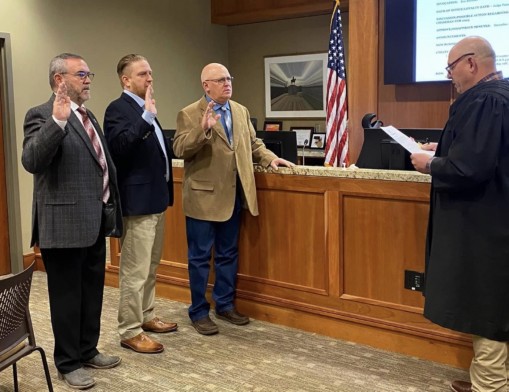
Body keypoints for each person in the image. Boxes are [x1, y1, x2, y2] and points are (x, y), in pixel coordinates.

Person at [411, 36, 509, 392]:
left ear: (471, 63)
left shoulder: (483, 100)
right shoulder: (503, 94)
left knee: (488, 316)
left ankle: (490, 385)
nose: (449, 75)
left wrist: (430, 164)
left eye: (450, 67)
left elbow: (470, 169)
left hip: (483, 230)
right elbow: (487, 154)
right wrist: (447, 149)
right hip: (498, 224)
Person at [21, 53, 122, 389]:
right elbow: (33, 160)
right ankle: (67, 363)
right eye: (81, 74)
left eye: (89, 73)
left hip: (94, 221)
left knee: (92, 291)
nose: (89, 79)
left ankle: (86, 349)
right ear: (59, 80)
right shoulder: (40, 114)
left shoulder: (89, 114)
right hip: (62, 225)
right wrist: (58, 123)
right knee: (66, 297)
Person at [173, 63, 295, 335]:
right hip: (203, 199)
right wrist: (202, 130)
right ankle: (198, 311)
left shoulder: (240, 111)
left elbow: (253, 145)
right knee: (200, 258)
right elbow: (180, 148)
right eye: (220, 80)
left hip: (234, 196)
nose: (227, 83)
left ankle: (225, 305)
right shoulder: (190, 113)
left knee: (228, 254)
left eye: (229, 78)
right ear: (206, 85)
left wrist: (270, 158)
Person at [104, 54, 176, 354]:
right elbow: (119, 148)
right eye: (143, 74)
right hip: (137, 203)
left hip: (156, 199)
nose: (150, 79)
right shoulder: (118, 109)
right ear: (126, 79)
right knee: (134, 270)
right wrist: (146, 118)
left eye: (150, 73)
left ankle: (146, 316)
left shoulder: (145, 107)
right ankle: (130, 330)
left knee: (150, 266)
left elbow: (156, 151)